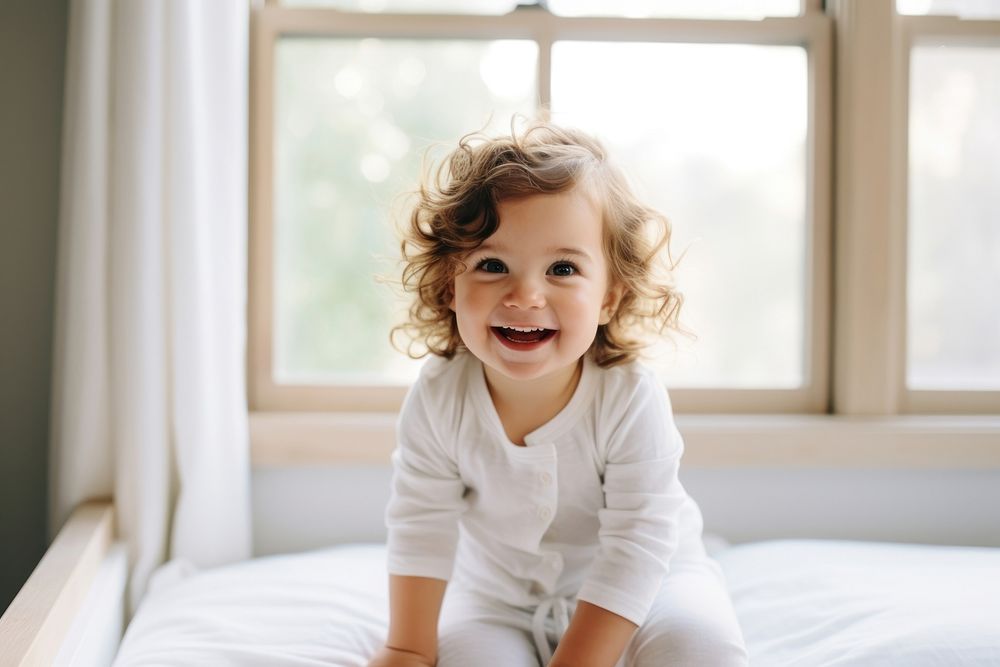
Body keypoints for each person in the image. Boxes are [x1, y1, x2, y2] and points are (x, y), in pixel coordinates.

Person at [368, 119, 748, 667]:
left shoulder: (628, 396)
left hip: (652, 577)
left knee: (699, 647)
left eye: (563, 268)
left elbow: (637, 543)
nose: (525, 294)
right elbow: (420, 521)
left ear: (609, 299)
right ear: (452, 285)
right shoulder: (439, 395)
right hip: (496, 597)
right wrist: (407, 646)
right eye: (492, 264)